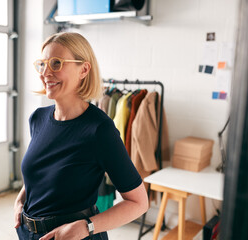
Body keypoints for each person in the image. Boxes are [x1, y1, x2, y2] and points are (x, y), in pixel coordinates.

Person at [14, 32, 148, 240]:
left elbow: (139, 202)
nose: (46, 72)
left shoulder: (99, 129)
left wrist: (87, 227)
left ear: (84, 69)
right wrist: (20, 200)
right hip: (28, 233)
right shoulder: (38, 119)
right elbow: (42, 171)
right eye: (43, 64)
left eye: (56, 63)